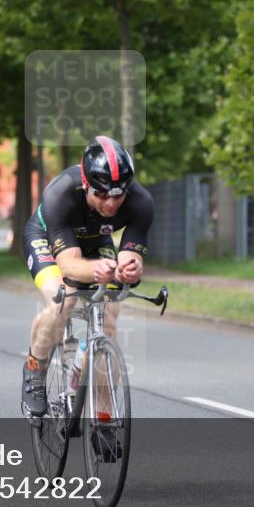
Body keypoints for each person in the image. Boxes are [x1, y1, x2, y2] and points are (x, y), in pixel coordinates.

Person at [20, 136, 153, 431]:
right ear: (85, 183)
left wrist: (129, 269)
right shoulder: (61, 193)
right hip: (46, 238)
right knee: (63, 299)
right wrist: (97, 269)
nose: (110, 202)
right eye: (101, 194)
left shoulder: (141, 202)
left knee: (109, 318)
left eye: (118, 196)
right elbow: (68, 264)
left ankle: (104, 417)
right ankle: (35, 368)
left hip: (96, 241)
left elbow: (132, 256)